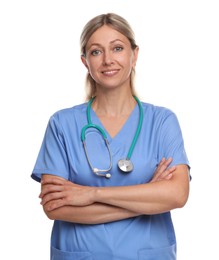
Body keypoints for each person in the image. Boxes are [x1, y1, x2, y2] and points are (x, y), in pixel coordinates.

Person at [31, 13, 190, 260]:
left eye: (117, 48)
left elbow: (177, 195)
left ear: (134, 55)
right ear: (85, 61)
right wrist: (148, 195)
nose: (108, 60)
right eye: (96, 52)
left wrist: (91, 194)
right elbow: (55, 207)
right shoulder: (62, 124)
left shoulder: (161, 122)